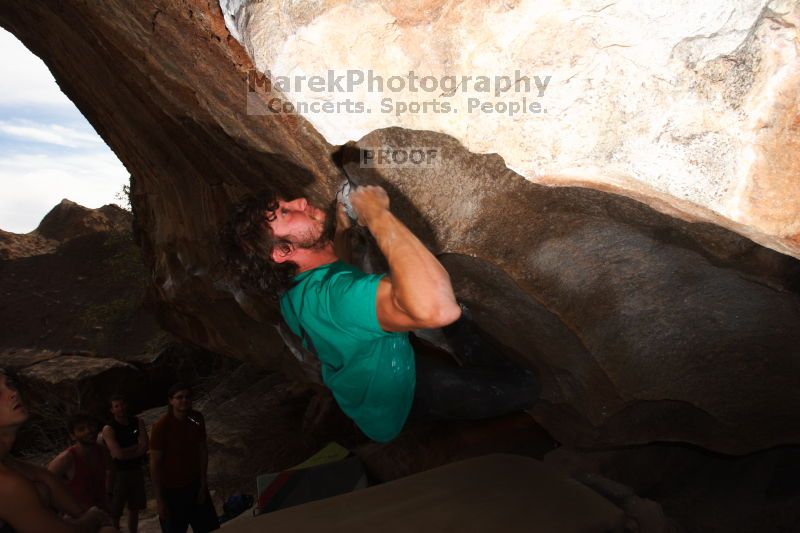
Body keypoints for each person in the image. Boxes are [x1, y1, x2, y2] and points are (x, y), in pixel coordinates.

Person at [224, 184, 540, 443]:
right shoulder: (332, 298)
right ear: (282, 252)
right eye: (286, 212)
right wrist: (376, 212)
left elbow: (339, 266)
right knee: (523, 387)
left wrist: (343, 222)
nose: (301, 200)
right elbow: (437, 308)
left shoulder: (294, 289)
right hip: (399, 396)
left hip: (366, 385)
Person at [0, 368, 118, 533]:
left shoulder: (6, 460)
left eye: (10, 385)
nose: (13, 393)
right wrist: (93, 517)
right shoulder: (5, 483)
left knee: (41, 489)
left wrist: (80, 513)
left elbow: (44, 477)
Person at [149, 383, 219, 533]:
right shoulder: (161, 426)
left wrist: (202, 484)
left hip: (194, 485)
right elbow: (155, 464)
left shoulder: (196, 419)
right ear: (171, 401)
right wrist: (160, 500)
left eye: (187, 397)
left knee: (208, 528)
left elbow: (202, 450)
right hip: (172, 491)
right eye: (179, 397)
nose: (184, 400)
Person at [48, 413, 112, 514]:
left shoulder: (102, 451)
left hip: (101, 512)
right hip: (78, 518)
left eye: (91, 426)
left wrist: (108, 496)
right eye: (81, 429)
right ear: (73, 436)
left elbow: (110, 471)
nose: (89, 431)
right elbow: (45, 486)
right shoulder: (65, 459)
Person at [101, 395, 148, 533]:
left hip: (135, 469)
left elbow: (145, 446)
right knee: (116, 510)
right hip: (118, 473)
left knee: (135, 507)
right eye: (116, 406)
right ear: (111, 410)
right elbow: (118, 455)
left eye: (122, 405)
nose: (120, 408)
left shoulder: (137, 421)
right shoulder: (109, 428)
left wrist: (126, 451)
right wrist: (135, 448)